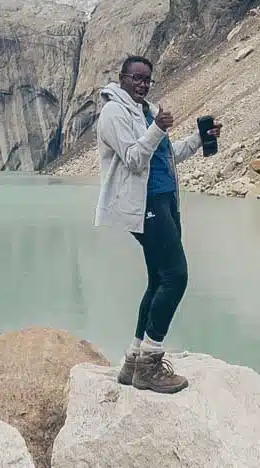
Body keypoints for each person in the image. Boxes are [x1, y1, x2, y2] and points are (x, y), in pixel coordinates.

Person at [94, 55, 221, 394]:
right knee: (176, 276)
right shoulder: (112, 113)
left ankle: (134, 361)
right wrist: (157, 128)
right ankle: (150, 364)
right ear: (121, 78)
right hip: (143, 205)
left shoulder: (146, 110)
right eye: (136, 77)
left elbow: (166, 154)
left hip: (165, 201)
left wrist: (198, 138)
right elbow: (134, 159)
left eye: (147, 78)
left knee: (158, 279)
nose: (143, 83)